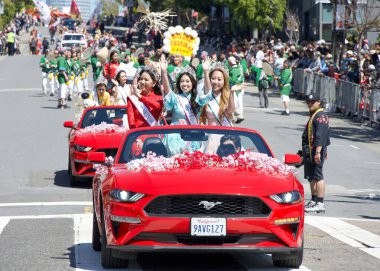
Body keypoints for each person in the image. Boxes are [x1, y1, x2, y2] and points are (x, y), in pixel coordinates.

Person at [302, 94, 330, 214]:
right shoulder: (315, 114)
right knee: (311, 176)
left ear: (319, 102)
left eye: (313, 102)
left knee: (318, 176)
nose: (310, 104)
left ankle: (320, 203)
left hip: (316, 150)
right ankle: (313, 201)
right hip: (310, 150)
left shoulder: (321, 115)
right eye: (308, 102)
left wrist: (319, 152)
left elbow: (321, 135)